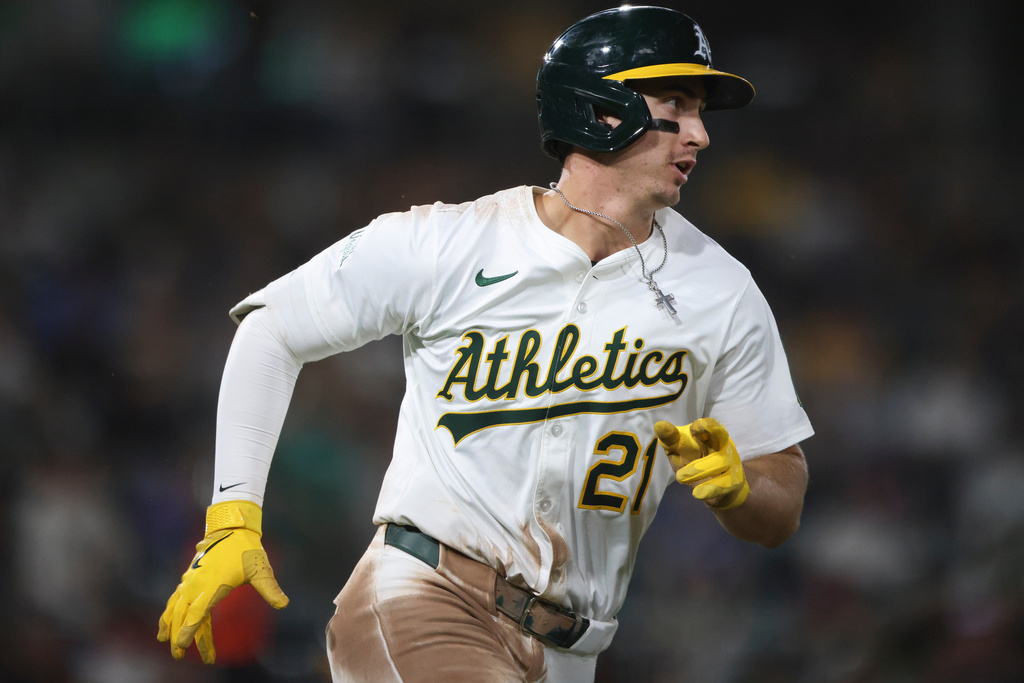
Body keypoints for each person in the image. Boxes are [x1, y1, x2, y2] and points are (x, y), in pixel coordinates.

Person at [158, 6, 813, 682]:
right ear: (600, 107)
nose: (701, 134)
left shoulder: (721, 290)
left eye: (700, 110)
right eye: (676, 103)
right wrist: (233, 515)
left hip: (573, 652)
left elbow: (782, 496)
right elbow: (271, 328)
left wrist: (741, 489)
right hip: (425, 593)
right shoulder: (450, 242)